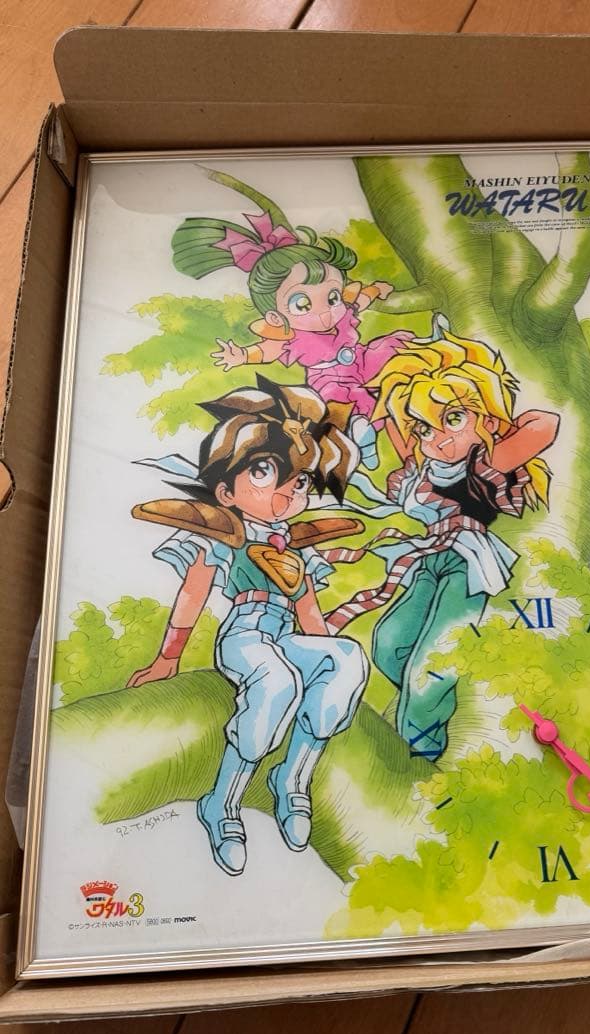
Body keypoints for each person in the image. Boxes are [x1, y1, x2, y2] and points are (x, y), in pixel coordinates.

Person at [128, 377, 368, 874]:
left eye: (300, 481)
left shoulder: (294, 543)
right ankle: (221, 802)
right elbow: (194, 591)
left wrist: (325, 656)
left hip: (286, 634)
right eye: (264, 472)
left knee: (346, 659)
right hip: (246, 634)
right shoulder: (228, 533)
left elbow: (308, 610)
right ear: (226, 490)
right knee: (277, 682)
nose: (287, 491)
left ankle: (291, 780)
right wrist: (168, 658)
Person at [327, 329, 560, 761]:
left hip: (467, 564)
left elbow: (546, 424)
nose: (437, 438)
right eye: (424, 428)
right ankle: (428, 705)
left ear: (484, 418)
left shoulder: (486, 460)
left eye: (452, 419)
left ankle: (421, 751)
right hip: (429, 558)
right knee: (389, 643)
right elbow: (399, 427)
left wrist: (494, 419)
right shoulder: (423, 465)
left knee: (433, 661)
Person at [172, 188, 415, 466]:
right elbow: (267, 351)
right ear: (276, 317)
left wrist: (376, 289)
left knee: (393, 350)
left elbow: (358, 300)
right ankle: (362, 441)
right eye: (302, 304)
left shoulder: (343, 313)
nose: (325, 311)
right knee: (345, 407)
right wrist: (243, 355)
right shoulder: (290, 336)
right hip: (329, 379)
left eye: (332, 297)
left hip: (361, 359)